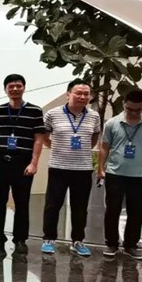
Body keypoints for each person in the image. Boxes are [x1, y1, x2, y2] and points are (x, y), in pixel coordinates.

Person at [98, 88, 142, 260]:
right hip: (115, 173)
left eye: (138, 110)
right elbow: (104, 147)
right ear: (124, 104)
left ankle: (131, 245)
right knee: (112, 210)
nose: (133, 113)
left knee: (137, 212)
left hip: (140, 175)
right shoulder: (112, 123)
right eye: (129, 109)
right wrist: (100, 168)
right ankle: (111, 244)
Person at [41, 79, 101, 256]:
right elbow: (44, 136)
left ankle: (78, 241)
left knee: (80, 207)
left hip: (83, 168)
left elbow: (94, 137)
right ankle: (48, 239)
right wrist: (56, 147)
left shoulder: (94, 116)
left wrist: (83, 150)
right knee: (53, 205)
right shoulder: (52, 114)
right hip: (58, 167)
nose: (82, 97)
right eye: (78, 93)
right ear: (68, 94)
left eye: (86, 94)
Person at [0, 74, 46, 254]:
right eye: (10, 86)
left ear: (24, 88)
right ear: (5, 90)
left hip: (23, 162)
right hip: (0, 161)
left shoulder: (35, 111)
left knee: (22, 202)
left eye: (18, 86)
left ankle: (20, 239)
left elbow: (38, 138)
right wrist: (4, 144)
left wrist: (34, 163)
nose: (14, 89)